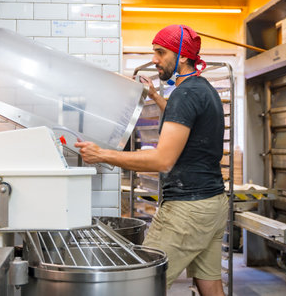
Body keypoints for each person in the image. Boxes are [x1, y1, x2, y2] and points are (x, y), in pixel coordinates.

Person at [75, 24, 228, 296]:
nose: (154, 59)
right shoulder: (204, 89)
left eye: (160, 52)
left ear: (182, 56)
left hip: (187, 210)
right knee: (211, 285)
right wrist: (156, 97)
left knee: (142, 285)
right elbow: (186, 125)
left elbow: (163, 160)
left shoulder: (185, 94)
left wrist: (102, 154)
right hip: (212, 205)